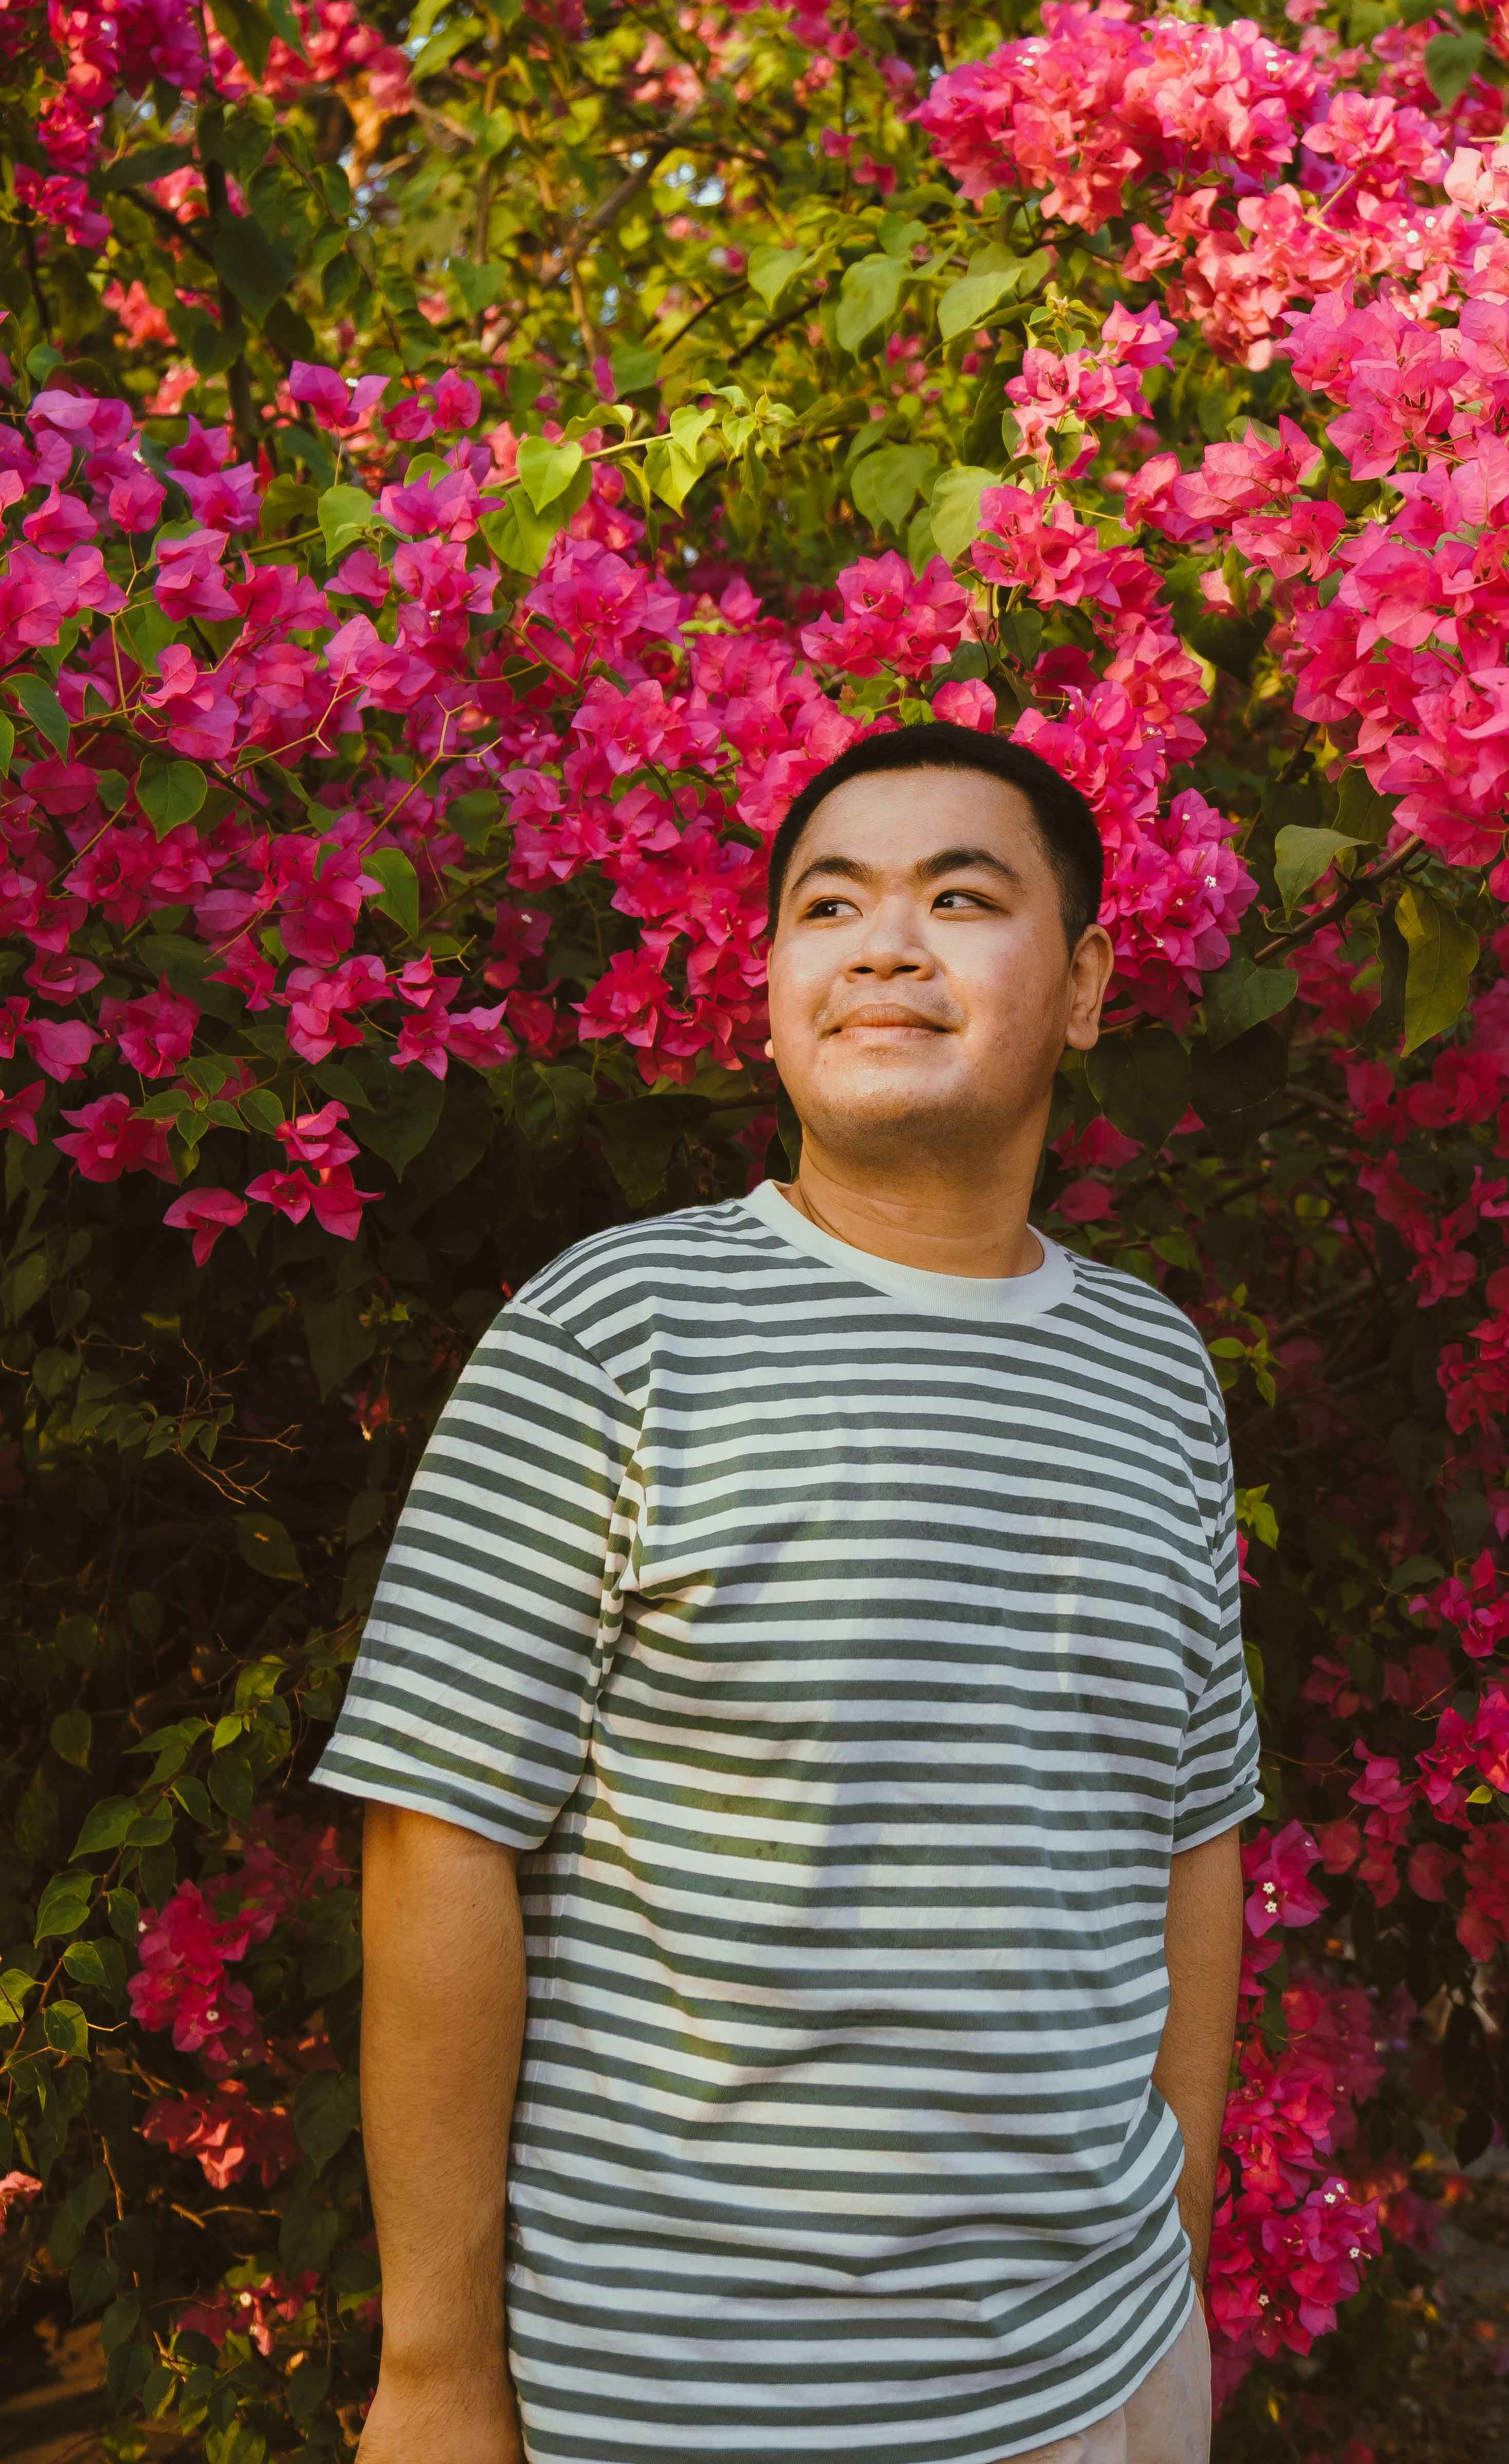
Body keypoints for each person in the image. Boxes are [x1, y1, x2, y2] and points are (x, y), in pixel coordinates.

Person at [322, 723, 1262, 2464]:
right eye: (830, 906)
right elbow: (434, 1838)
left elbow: (1191, 1830)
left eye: (961, 897)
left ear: (1084, 986)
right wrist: (439, 2376)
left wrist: (1173, 2259)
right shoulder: (612, 1335)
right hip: (691, 2406)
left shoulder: (1156, 1371)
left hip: (1105, 2372)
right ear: (770, 996)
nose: (885, 944)